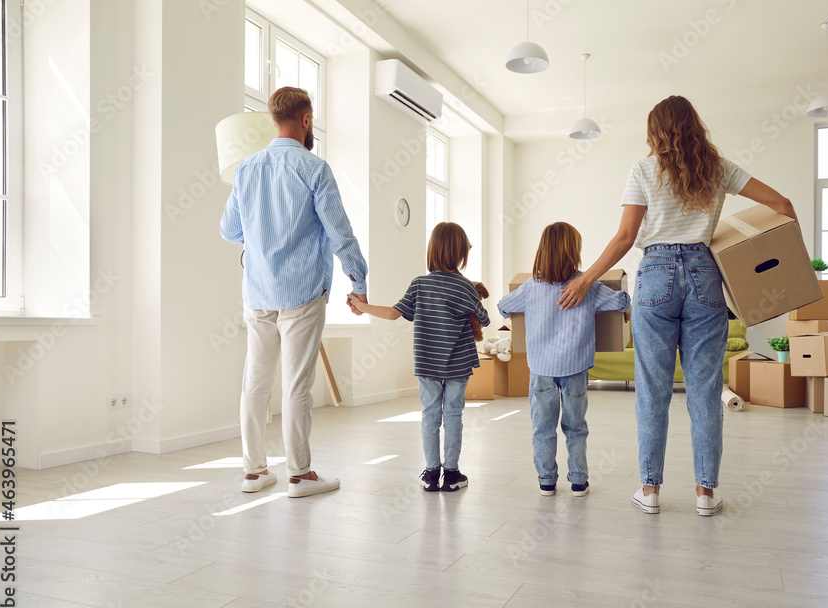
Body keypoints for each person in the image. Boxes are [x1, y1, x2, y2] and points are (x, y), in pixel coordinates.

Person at [559, 96, 797, 517]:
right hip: (706, 275)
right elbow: (782, 206)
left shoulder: (643, 170)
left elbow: (625, 238)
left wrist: (585, 278)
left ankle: (650, 491)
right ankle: (706, 495)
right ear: (694, 126)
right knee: (705, 391)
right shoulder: (718, 168)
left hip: (655, 277)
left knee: (652, 389)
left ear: (655, 132)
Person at [220, 87, 368, 498]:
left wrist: (262, 231)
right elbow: (341, 234)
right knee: (296, 385)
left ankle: (254, 473)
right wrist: (359, 282)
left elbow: (228, 229)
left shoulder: (245, 169)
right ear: (306, 120)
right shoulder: (314, 169)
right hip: (302, 292)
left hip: (257, 294)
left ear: (273, 118)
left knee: (255, 382)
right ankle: (300, 476)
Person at [348, 222, 488, 492]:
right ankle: (453, 474)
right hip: (458, 365)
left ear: (432, 250)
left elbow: (392, 313)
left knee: (430, 415)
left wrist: (361, 306)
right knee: (454, 415)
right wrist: (473, 297)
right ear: (461, 254)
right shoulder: (466, 287)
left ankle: (431, 474)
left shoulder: (419, 285)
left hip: (427, 364)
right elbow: (484, 318)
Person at [498, 222, 630, 497]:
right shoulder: (588, 287)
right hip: (575, 369)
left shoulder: (530, 288)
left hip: (541, 371)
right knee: (576, 427)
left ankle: (547, 481)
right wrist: (626, 301)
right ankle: (579, 481)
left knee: (543, 428)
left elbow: (502, 307)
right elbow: (621, 302)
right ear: (574, 252)